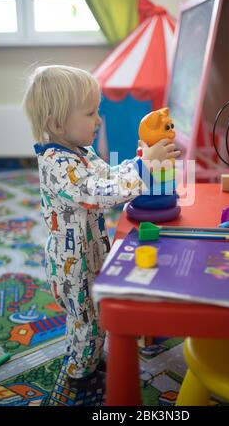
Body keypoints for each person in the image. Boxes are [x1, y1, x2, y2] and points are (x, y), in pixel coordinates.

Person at [23, 65, 180, 390]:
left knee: (89, 317)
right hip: (72, 267)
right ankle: (81, 375)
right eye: (91, 113)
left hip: (90, 253)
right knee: (87, 322)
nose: (99, 120)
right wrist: (145, 167)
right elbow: (98, 193)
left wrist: (139, 161)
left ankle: (87, 357)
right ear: (56, 123)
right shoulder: (58, 165)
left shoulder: (80, 152)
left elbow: (107, 175)